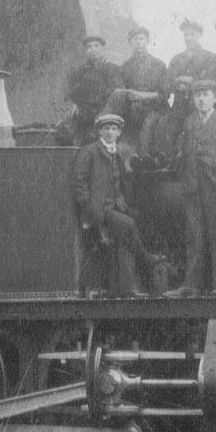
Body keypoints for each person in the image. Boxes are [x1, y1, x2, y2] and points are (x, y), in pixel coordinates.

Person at [164, 80, 216, 298]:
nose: (201, 99)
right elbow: (180, 153)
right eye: (197, 95)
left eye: (206, 94)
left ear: (215, 98)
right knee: (194, 236)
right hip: (193, 188)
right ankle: (191, 285)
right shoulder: (189, 122)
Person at [71, 113, 163, 298]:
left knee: (125, 238)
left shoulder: (119, 153)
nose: (110, 132)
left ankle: (125, 288)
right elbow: (78, 182)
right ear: (99, 131)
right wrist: (89, 207)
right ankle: (147, 259)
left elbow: (123, 182)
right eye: (106, 129)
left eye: (114, 129)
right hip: (98, 210)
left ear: (119, 132)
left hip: (116, 207)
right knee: (128, 225)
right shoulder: (89, 151)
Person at [101, 26, 168, 150]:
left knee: (147, 130)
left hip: (155, 108)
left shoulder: (159, 65)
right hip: (132, 110)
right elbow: (119, 90)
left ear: (147, 41)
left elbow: (165, 93)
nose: (139, 42)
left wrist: (143, 95)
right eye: (135, 40)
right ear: (130, 43)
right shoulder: (124, 67)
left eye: (142, 39)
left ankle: (144, 155)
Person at [66, 35, 123, 145]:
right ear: (86, 51)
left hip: (105, 113)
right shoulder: (80, 70)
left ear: (102, 48)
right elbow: (72, 92)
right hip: (83, 115)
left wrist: (103, 112)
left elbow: (116, 93)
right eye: (89, 47)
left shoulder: (112, 68)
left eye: (96, 46)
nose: (93, 49)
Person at [167, 19, 216, 87]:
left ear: (199, 36)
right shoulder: (176, 59)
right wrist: (179, 80)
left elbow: (213, 81)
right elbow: (168, 82)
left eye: (192, 34)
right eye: (186, 35)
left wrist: (191, 80)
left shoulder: (209, 57)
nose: (189, 38)